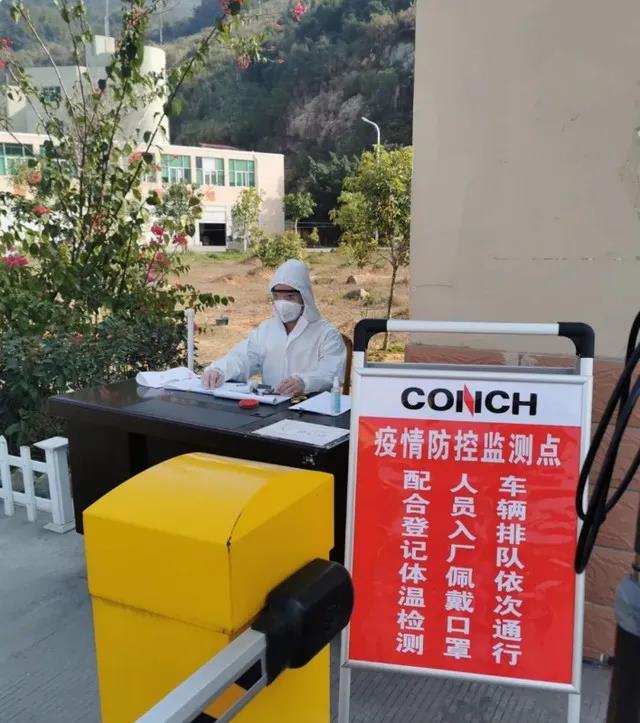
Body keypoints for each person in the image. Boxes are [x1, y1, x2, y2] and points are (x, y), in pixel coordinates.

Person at [203, 258, 346, 396]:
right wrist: (219, 370)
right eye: (277, 296)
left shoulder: (326, 334)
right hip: (271, 404)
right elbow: (243, 358)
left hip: (311, 406)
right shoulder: (266, 330)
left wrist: (304, 382)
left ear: (305, 297)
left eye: (290, 297)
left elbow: (331, 372)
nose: (282, 303)